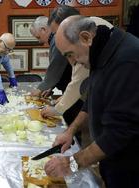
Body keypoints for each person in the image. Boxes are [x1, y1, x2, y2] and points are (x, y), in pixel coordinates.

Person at [44, 15, 139, 188]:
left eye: (70, 54)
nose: (72, 62)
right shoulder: (100, 50)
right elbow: (91, 100)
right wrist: (70, 131)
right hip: (111, 158)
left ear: (86, 37)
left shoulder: (126, 61)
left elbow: (118, 134)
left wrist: (71, 163)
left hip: (131, 163)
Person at [30, 6, 81, 125]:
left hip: (75, 88)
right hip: (70, 87)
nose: (39, 41)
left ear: (43, 29)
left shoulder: (56, 39)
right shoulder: (55, 39)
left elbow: (56, 67)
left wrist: (40, 89)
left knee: (72, 119)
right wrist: (50, 87)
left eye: (38, 37)